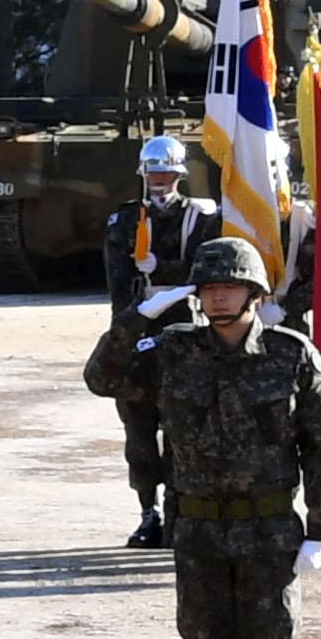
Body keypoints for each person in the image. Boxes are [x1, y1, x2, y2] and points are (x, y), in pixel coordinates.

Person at [82, 234, 321, 639]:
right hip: (198, 531)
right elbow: (102, 377)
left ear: (254, 292)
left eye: (231, 286)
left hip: (270, 531)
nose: (220, 297)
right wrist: (139, 313)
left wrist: (320, 532)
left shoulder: (290, 354)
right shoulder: (172, 350)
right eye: (209, 288)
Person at [102, 134, 220, 547]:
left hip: (184, 331)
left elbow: (203, 269)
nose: (160, 179)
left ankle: (178, 511)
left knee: (182, 429)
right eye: (154, 171)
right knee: (138, 433)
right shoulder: (124, 221)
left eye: (167, 171)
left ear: (180, 174)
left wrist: (164, 268)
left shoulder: (200, 219)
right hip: (138, 331)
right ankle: (147, 512)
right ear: (143, 172)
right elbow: (120, 281)